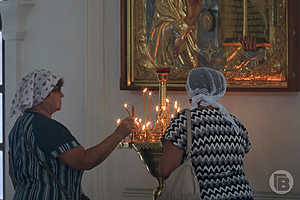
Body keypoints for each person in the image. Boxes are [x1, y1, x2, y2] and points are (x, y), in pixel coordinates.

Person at [8, 69, 137, 200]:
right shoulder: (45, 126)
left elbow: (13, 176)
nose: (62, 95)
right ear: (43, 94)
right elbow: (86, 160)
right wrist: (118, 134)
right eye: (57, 90)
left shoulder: (18, 126)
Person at [160, 67, 254, 200]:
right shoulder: (233, 121)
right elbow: (244, 150)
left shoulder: (184, 122)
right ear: (219, 90)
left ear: (190, 89)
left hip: (201, 195)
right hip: (240, 194)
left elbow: (166, 170)